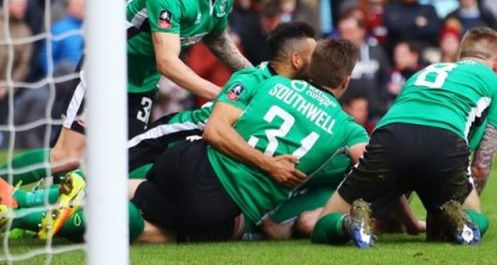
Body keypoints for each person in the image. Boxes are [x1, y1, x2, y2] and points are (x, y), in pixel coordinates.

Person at [0, 0, 252, 186]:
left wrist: (256, 75)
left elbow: (217, 39)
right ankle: (3, 183)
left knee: (123, 163)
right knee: (68, 157)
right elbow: (167, 62)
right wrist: (223, 95)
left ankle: (63, 217)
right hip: (106, 72)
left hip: (142, 85)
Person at [129, 39, 367, 242]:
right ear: (345, 81)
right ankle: (112, 222)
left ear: (310, 66)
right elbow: (374, 163)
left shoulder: (271, 83)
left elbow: (214, 129)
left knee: (136, 192)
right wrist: (270, 165)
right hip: (220, 204)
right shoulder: (346, 127)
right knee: (169, 231)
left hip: (186, 160)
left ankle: (95, 203)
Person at [311, 27, 497, 248]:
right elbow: (481, 165)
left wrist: (408, 220)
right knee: (474, 215)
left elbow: (405, 156)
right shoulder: (496, 84)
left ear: (459, 57)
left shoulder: (425, 72)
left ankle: (348, 224)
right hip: (445, 139)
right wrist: (461, 198)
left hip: (388, 137)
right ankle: (462, 221)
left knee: (323, 224)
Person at [127, 21, 317, 179]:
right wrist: (269, 165)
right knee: (111, 175)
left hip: (200, 163)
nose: (319, 60)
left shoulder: (294, 94)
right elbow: (214, 131)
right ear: (297, 60)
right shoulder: (253, 80)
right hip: (176, 134)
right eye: (314, 55)